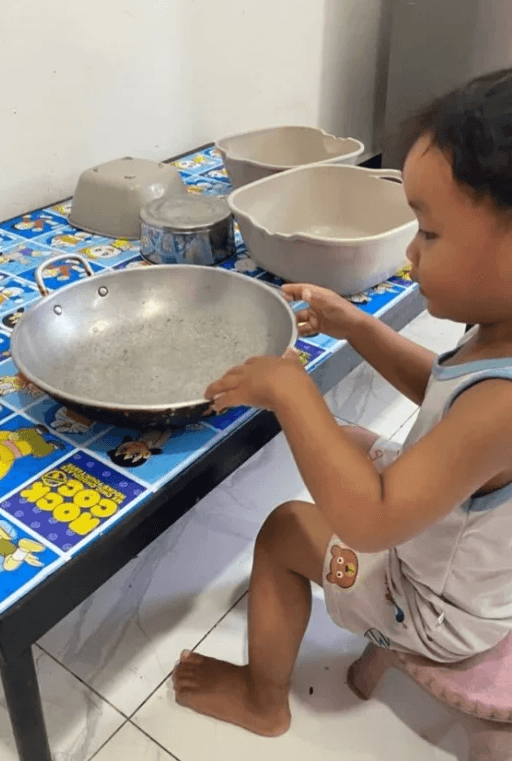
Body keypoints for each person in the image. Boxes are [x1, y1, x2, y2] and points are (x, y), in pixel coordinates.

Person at [172, 67, 512, 736]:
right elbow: (440, 390)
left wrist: (292, 389)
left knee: (282, 530)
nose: (411, 255)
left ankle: (262, 698)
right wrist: (358, 325)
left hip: (435, 608)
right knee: (351, 441)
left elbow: (370, 522)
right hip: (466, 558)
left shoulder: (503, 405)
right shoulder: (497, 338)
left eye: (430, 235)